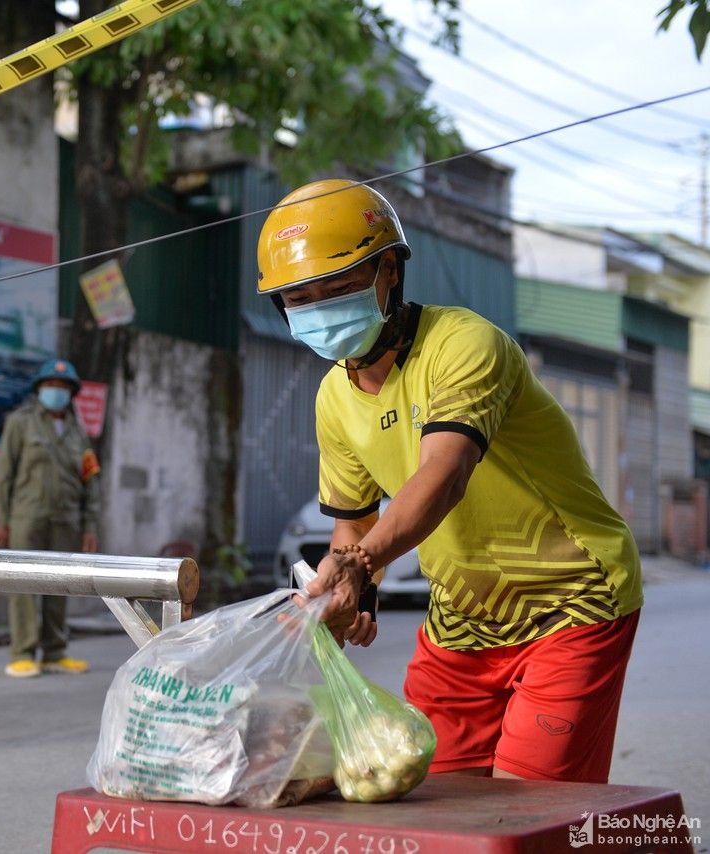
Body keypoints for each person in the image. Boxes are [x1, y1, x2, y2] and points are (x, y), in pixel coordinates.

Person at [256, 178, 643, 784]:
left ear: (389, 272)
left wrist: (359, 564)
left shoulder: (463, 343)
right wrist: (348, 594)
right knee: (428, 786)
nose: (318, 310)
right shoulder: (334, 395)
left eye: (335, 288)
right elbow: (353, 521)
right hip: (463, 616)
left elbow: (446, 472)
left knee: (530, 808)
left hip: (574, 599)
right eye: (298, 299)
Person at [0, 358, 102, 678]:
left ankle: (55, 651)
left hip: (66, 519)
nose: (56, 392)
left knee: (60, 586)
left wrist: (90, 525)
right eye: (50, 386)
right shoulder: (21, 422)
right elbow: (4, 475)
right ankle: (23, 652)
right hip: (27, 517)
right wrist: (3, 520)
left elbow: (90, 480)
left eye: (63, 387)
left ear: (72, 393)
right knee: (24, 585)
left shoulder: (77, 431)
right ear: (39, 389)